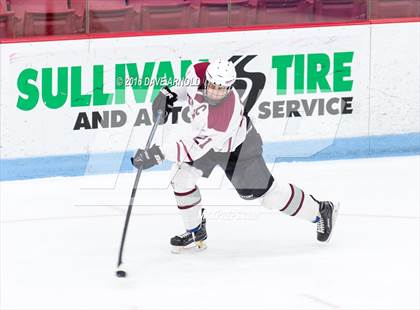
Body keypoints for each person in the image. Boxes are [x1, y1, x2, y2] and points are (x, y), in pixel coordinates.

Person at [131, 59, 339, 253]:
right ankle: (195, 232)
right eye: (212, 86)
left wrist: (156, 154)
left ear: (229, 88)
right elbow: (186, 86)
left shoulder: (224, 115)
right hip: (206, 143)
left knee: (267, 196)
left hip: (239, 149)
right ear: (207, 80)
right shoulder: (197, 71)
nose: (214, 93)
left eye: (221, 89)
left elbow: (190, 149)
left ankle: (320, 210)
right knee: (181, 179)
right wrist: (168, 93)